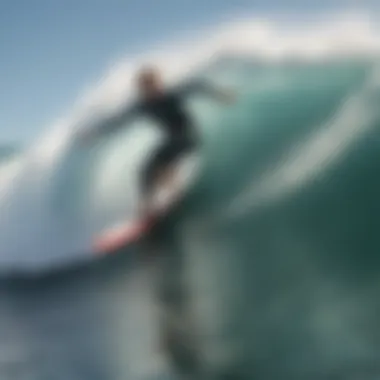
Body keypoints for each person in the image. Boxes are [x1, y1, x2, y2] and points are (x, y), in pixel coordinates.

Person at [83, 65, 234, 220]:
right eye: (144, 88)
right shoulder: (143, 106)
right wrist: (94, 134)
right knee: (145, 170)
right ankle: (148, 206)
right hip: (172, 140)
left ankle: (173, 191)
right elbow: (117, 121)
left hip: (188, 137)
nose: (148, 91)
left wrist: (220, 94)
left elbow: (197, 85)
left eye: (151, 85)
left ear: (158, 83)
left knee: (161, 160)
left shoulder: (172, 94)